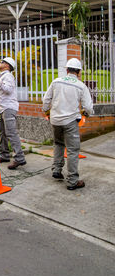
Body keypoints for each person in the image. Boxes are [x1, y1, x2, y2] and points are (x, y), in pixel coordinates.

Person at [42, 57, 93, 190]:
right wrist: (86, 114)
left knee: (58, 143)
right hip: (70, 121)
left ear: (67, 70)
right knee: (72, 150)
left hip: (55, 120)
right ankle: (72, 181)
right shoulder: (81, 86)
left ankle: (57, 170)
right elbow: (88, 107)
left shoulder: (56, 81)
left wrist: (47, 112)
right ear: (78, 72)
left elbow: (46, 100)